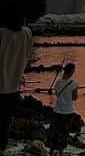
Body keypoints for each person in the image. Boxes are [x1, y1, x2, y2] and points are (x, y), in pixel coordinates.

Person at [0, 8, 33, 154]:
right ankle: (2, 145)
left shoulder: (2, 33)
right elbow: (24, 25)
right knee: (6, 119)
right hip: (13, 85)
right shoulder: (26, 34)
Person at [47, 63, 78, 156]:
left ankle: (52, 150)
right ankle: (60, 151)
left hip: (57, 110)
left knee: (55, 131)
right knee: (64, 132)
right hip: (68, 111)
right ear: (72, 71)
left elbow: (56, 93)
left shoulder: (58, 82)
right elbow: (75, 98)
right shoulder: (73, 84)